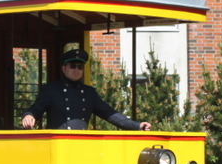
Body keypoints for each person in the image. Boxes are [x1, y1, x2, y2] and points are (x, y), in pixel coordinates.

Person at [20, 48, 151, 131]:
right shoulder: (51, 90)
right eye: (72, 66)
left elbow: (110, 114)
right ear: (64, 68)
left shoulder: (89, 93)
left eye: (80, 67)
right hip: (59, 145)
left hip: (81, 144)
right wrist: (29, 115)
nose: (76, 70)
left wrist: (137, 126)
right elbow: (36, 108)